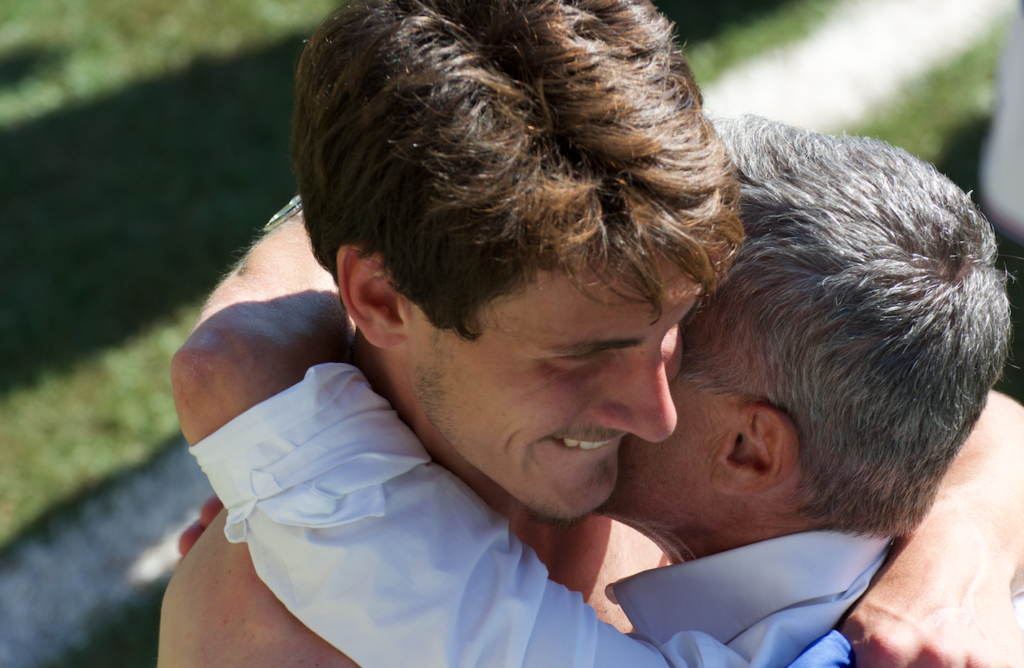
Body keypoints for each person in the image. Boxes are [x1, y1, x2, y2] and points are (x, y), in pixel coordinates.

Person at [160, 1, 1024, 665]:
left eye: (677, 327)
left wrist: (963, 549)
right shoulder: (272, 638)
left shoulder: (675, 463)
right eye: (583, 352)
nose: (653, 411)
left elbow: (972, 421)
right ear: (381, 296)